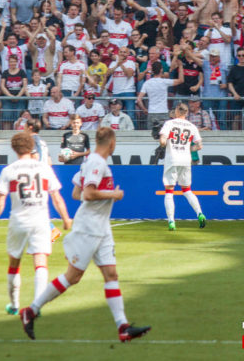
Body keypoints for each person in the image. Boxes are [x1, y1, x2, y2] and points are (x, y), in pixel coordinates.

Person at [19, 128, 151, 342]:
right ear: (112, 143)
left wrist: (104, 197)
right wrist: (113, 194)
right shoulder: (96, 163)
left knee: (111, 275)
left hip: (101, 227)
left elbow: (76, 192)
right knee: (73, 276)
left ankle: (123, 327)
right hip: (89, 227)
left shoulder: (92, 162)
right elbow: (88, 194)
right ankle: (31, 311)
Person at [0, 132, 72, 316]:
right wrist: (65, 218)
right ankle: (36, 307)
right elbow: (56, 197)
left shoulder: (9, 170)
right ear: (32, 146)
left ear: (14, 148)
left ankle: (14, 305)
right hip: (40, 220)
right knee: (40, 262)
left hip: (18, 220)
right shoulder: (44, 169)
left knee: (14, 263)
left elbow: (0, 202)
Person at [159, 103, 206, 231]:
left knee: (169, 191)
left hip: (172, 159)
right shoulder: (192, 126)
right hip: (186, 160)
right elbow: (199, 145)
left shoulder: (169, 124)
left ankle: (171, 221)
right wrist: (189, 149)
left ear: (176, 111)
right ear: (186, 113)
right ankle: (200, 213)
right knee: (187, 190)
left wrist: (162, 144)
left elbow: (163, 140)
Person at [137, 61, 184, 130]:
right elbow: (181, 80)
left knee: (151, 136)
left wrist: (144, 109)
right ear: (161, 70)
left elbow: (139, 99)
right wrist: (180, 66)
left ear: (152, 71)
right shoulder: (165, 82)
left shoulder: (147, 83)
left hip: (152, 112)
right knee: (164, 136)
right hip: (163, 112)